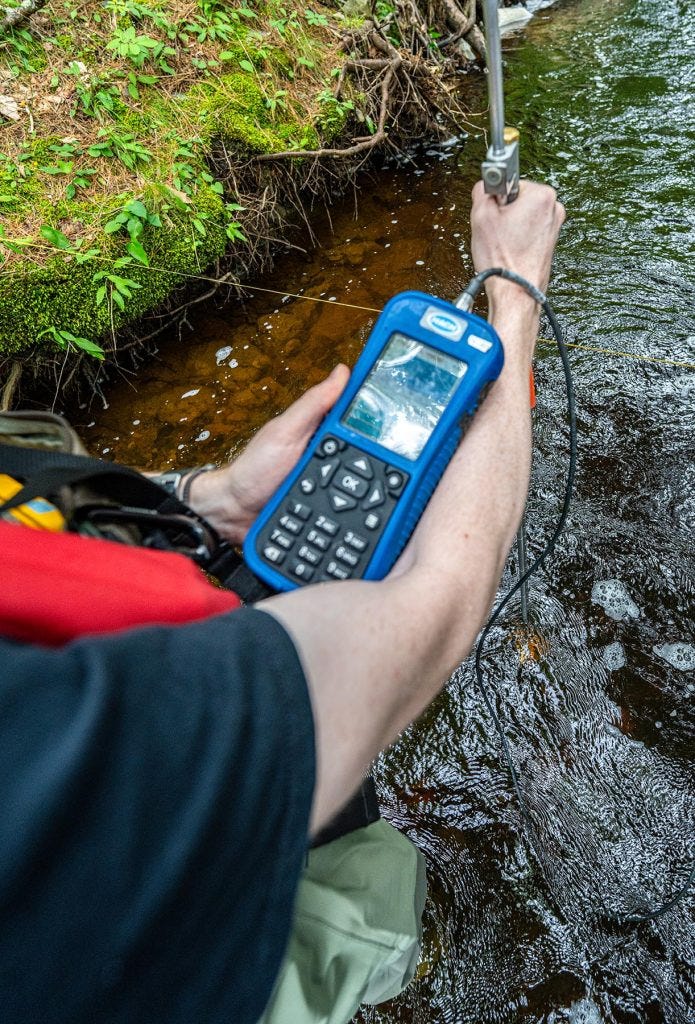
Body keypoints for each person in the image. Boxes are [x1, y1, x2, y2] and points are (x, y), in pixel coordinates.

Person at [0, 180, 565, 1023]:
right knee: (351, 916)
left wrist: (211, 499)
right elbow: (440, 596)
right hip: (218, 915)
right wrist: (513, 295)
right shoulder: (65, 742)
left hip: (193, 601)